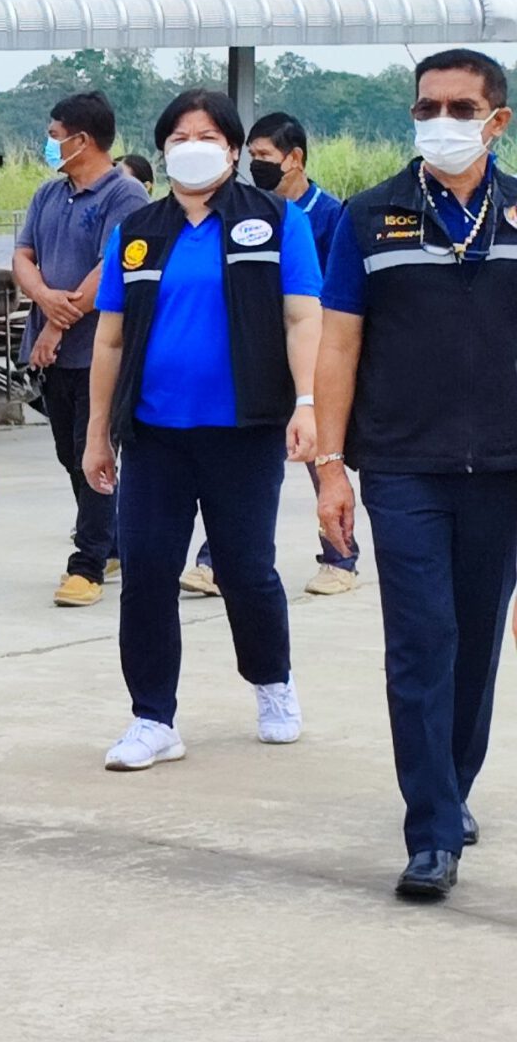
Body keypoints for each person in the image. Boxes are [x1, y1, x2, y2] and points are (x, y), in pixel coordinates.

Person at [313, 48, 517, 899]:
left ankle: (452, 786)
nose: (441, 122)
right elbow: (338, 346)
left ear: (497, 121)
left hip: (502, 468)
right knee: (420, 642)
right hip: (402, 466)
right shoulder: (369, 216)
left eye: (460, 109)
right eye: (427, 107)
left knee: (475, 644)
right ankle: (430, 832)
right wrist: (330, 467)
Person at [80, 89, 321, 773]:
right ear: (163, 150)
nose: (193, 146)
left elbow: (303, 317)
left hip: (244, 430)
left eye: (209, 135)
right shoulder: (139, 231)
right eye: (179, 136)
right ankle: (152, 717)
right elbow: (110, 339)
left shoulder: (275, 220)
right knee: (148, 574)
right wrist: (98, 431)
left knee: (245, 570)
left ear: (234, 149)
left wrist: (306, 403)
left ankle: (272, 682)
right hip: (155, 435)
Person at [185, 112, 361, 597]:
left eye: (265, 156)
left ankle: (341, 558)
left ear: (295, 158)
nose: (256, 165)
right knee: (240, 464)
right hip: (259, 353)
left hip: (312, 352)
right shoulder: (246, 212)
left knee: (319, 457)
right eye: (252, 156)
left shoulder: (328, 215)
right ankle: (214, 560)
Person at [13, 92, 147, 608]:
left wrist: (54, 324)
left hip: (98, 352)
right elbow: (23, 254)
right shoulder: (49, 194)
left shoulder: (124, 195)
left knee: (94, 449)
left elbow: (110, 268)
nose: (49, 144)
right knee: (70, 454)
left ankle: (86, 563)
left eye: (54, 135)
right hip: (55, 358)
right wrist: (43, 296)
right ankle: (111, 543)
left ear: (81, 140)